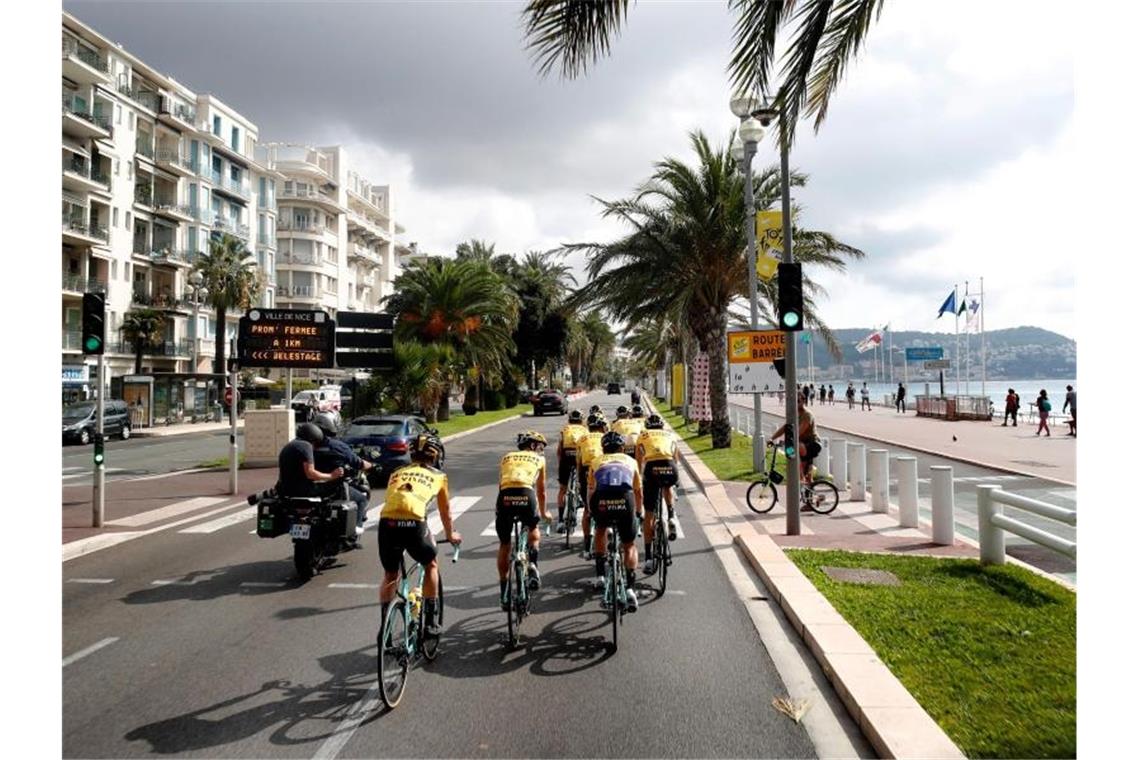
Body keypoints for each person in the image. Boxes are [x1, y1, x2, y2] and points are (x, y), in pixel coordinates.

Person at [377, 433, 460, 638]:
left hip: (387, 523)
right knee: (430, 564)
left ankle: (385, 628)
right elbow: (445, 512)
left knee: (390, 574)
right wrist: (450, 534)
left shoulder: (396, 473)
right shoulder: (439, 476)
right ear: (436, 456)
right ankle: (431, 623)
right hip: (414, 524)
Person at [588, 430, 643, 611]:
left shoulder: (596, 461)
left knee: (600, 530)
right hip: (624, 500)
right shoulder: (631, 461)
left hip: (602, 500)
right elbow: (638, 492)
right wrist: (639, 512)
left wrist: (590, 511)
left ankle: (601, 577)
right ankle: (630, 589)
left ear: (603, 448)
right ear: (622, 448)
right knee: (629, 545)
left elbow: (591, 490)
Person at [496, 431, 551, 607]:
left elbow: (502, 484)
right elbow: (541, 491)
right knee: (533, 529)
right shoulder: (539, 460)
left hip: (505, 497)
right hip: (527, 494)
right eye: (541, 446)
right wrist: (544, 513)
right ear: (534, 446)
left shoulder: (506, 457)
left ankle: (504, 591)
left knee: (505, 544)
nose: (542, 450)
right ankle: (533, 564)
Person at [312, 412, 371, 538]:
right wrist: (371, 465)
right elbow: (358, 463)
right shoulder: (336, 445)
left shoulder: (306, 446)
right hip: (332, 487)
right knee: (361, 499)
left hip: (308, 488)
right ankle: (355, 530)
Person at [636, 414, 680, 576]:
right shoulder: (669, 434)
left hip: (652, 469)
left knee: (649, 513)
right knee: (667, 486)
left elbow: (638, 460)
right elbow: (676, 457)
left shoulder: (643, 435)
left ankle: (648, 558)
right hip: (670, 467)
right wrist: (676, 478)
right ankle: (671, 516)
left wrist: (640, 478)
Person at [769, 393, 823, 509]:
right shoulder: (795, 415)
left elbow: (799, 432)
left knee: (795, 450)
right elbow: (785, 428)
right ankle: (812, 500)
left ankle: (801, 475)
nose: (796, 403)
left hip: (812, 445)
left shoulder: (807, 415)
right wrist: (772, 438)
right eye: (794, 401)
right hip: (803, 446)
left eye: (798, 400)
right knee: (808, 477)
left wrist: (786, 441)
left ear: (803, 401)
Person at [276, 422, 345, 498]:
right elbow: (310, 474)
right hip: (301, 491)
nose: (314, 447)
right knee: (337, 483)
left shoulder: (291, 445)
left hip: (283, 489)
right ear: (313, 439)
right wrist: (332, 475)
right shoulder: (306, 446)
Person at [575, 413, 608, 556]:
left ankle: (587, 545)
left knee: (587, 510)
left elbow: (578, 461)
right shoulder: (606, 438)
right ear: (602, 427)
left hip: (585, 470)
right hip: (602, 469)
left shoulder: (582, 439)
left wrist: (578, 478)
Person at [555, 410, 588, 532]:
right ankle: (580, 495)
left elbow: (559, 450)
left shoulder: (565, 429)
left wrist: (560, 464)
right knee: (583, 483)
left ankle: (559, 520)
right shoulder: (585, 430)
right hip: (579, 457)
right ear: (582, 420)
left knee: (563, 489)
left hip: (566, 457)